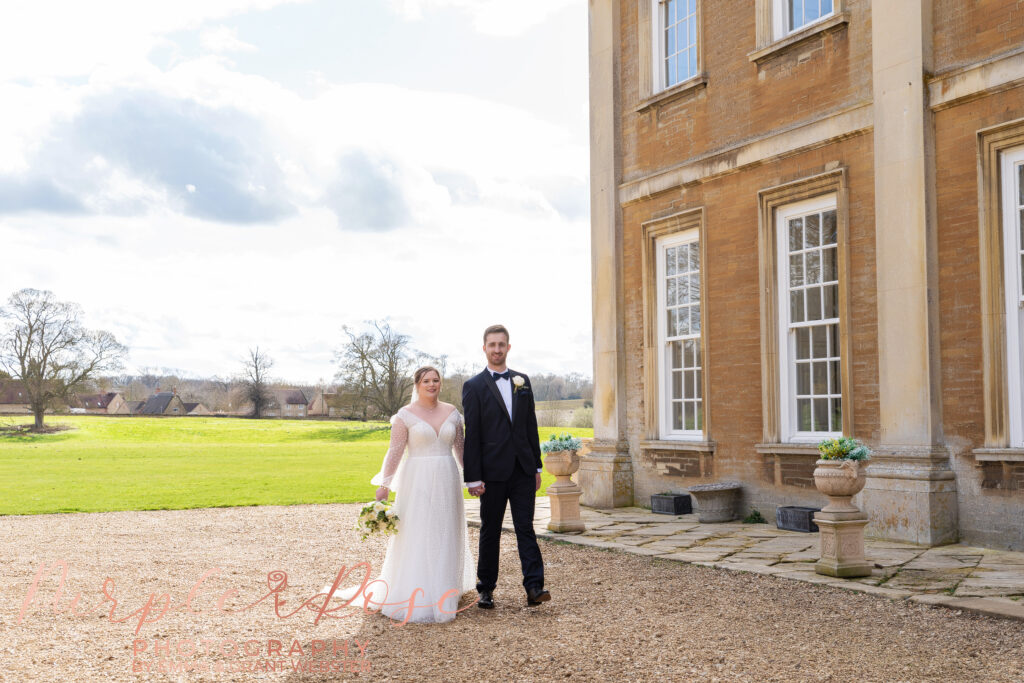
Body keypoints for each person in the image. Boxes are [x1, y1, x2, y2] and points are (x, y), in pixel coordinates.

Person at [321, 366, 474, 623]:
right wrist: (384, 484)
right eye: (426, 380)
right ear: (417, 384)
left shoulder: (453, 413)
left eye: (436, 380)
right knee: (418, 530)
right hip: (417, 480)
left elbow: (461, 449)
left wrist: (472, 478)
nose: (432, 384)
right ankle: (417, 592)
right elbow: (395, 451)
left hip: (447, 478)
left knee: (445, 529)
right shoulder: (405, 415)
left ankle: (445, 589)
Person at [463, 324, 550, 609]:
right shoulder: (473, 386)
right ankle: (485, 588)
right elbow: (472, 434)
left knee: (526, 528)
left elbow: (530, 426)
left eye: (502, 344)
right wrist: (473, 477)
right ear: (485, 348)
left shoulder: (522, 381)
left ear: (508, 347)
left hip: (523, 470)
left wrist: (536, 466)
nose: (497, 349)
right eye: (492, 345)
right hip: (491, 473)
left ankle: (534, 587)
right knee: (491, 529)